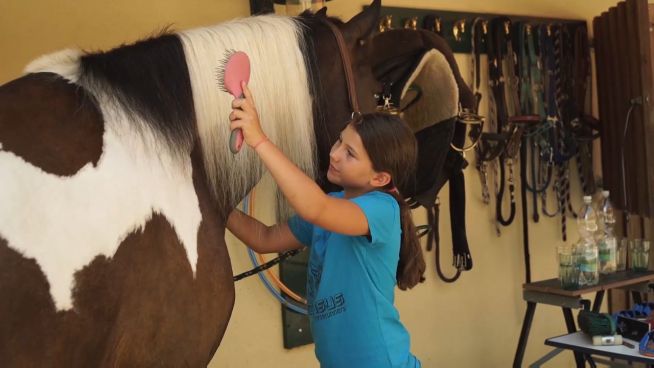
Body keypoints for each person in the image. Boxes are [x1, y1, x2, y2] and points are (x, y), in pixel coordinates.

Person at [227, 81, 425, 368]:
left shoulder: (382, 210)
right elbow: (264, 238)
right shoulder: (333, 207)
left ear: (380, 179)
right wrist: (213, 205)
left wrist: (259, 140)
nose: (334, 153)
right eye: (339, 142)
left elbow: (316, 207)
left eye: (350, 153)